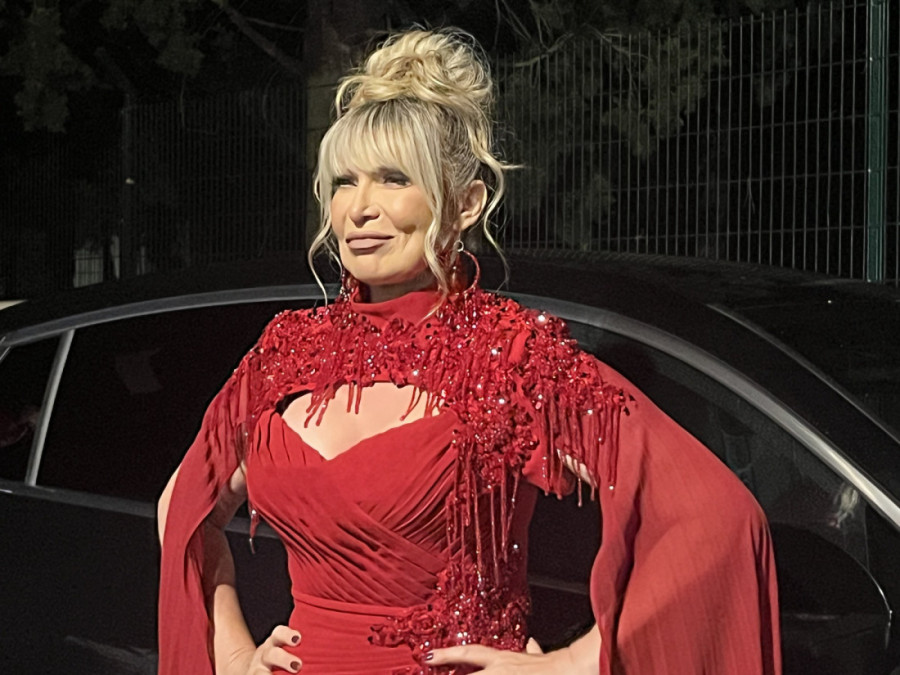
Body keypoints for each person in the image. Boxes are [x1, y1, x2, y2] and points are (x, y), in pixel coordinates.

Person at [157, 28, 781, 675]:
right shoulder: (289, 351)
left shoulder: (513, 356)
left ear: (464, 204)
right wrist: (234, 655)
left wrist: (571, 664)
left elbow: (715, 519)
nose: (359, 207)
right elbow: (183, 507)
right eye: (343, 182)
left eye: (393, 179)